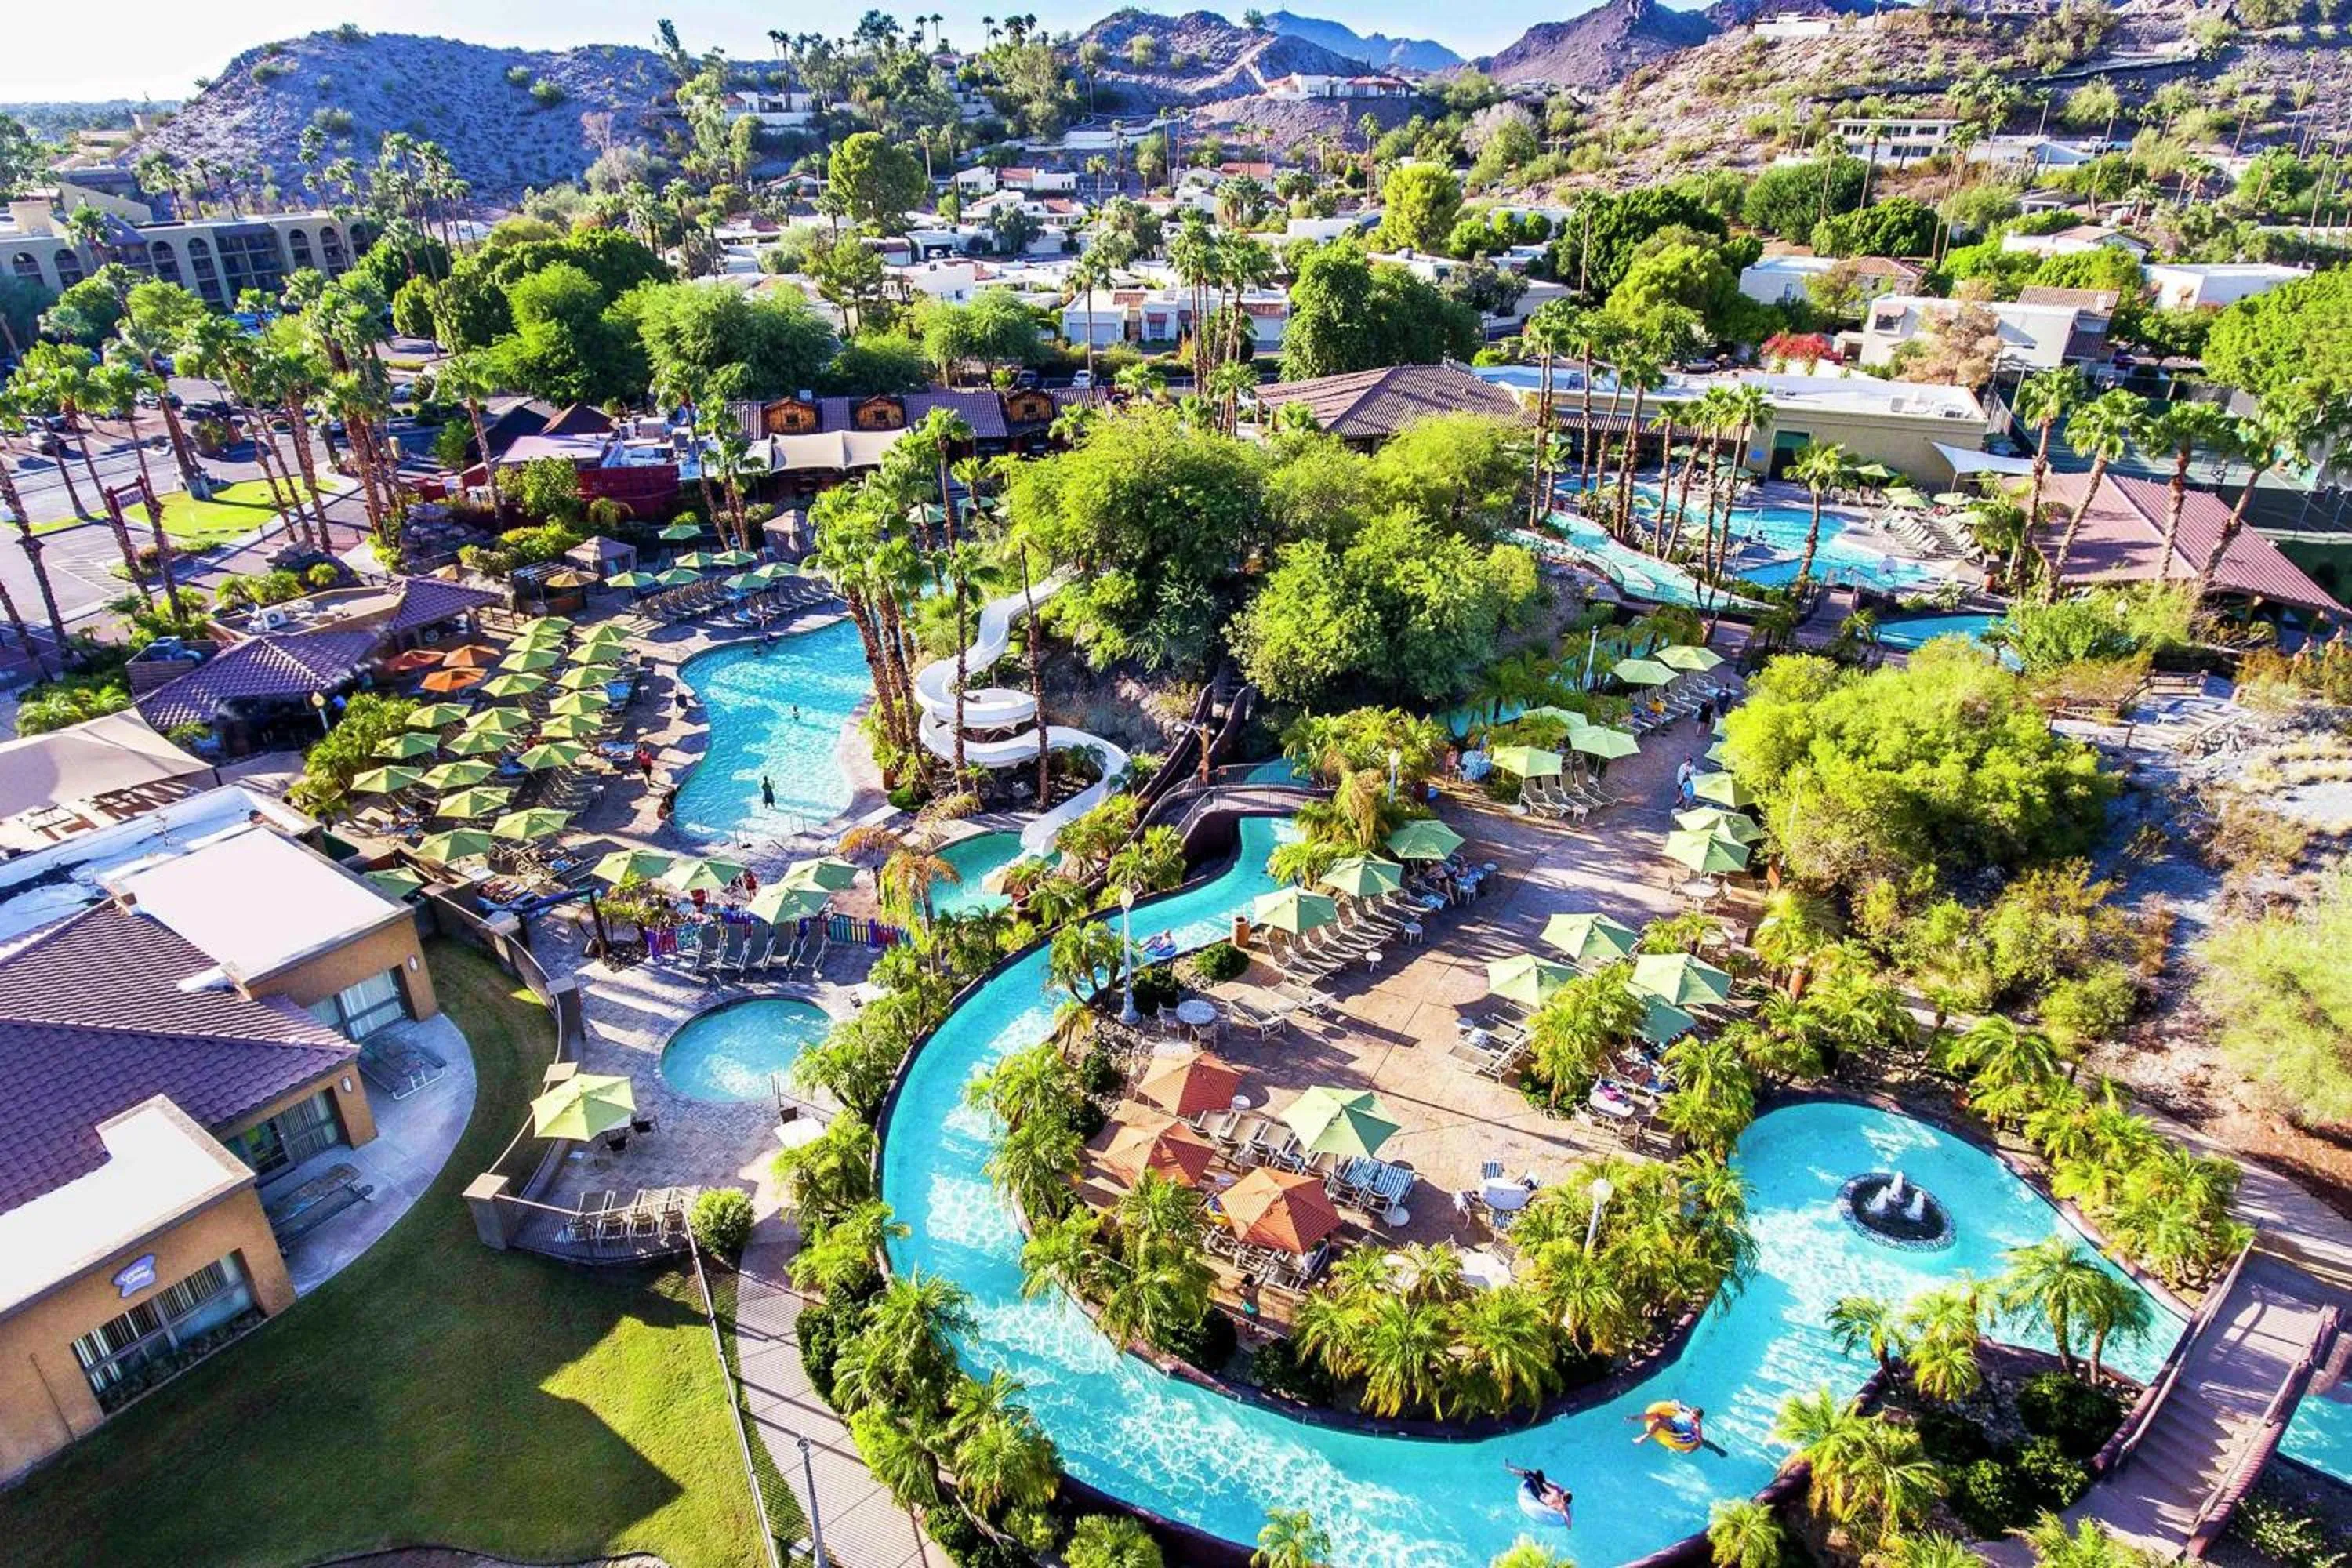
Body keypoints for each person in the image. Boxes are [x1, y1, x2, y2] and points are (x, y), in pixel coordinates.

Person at [1504, 1464, 1572, 1525]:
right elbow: (1568, 1519)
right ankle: (1513, 1468)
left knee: (1529, 1474)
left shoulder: (1556, 1494)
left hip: (1539, 1494)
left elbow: (1546, 1486)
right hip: (1544, 1492)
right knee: (1539, 1472)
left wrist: (1541, 1482)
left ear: (1563, 1496)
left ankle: (1509, 1468)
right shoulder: (1564, 1508)